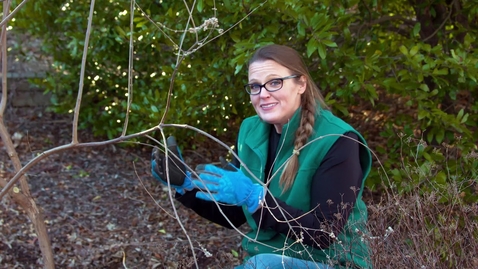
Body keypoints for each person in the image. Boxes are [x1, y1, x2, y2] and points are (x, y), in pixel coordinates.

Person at [151, 44, 372, 269]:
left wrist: (258, 199)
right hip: (266, 258)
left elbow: (324, 234)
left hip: (332, 261)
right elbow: (236, 214)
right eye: (255, 86)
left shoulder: (337, 140)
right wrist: (187, 187)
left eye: (275, 82)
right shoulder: (251, 131)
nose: (263, 94)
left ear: (301, 84)